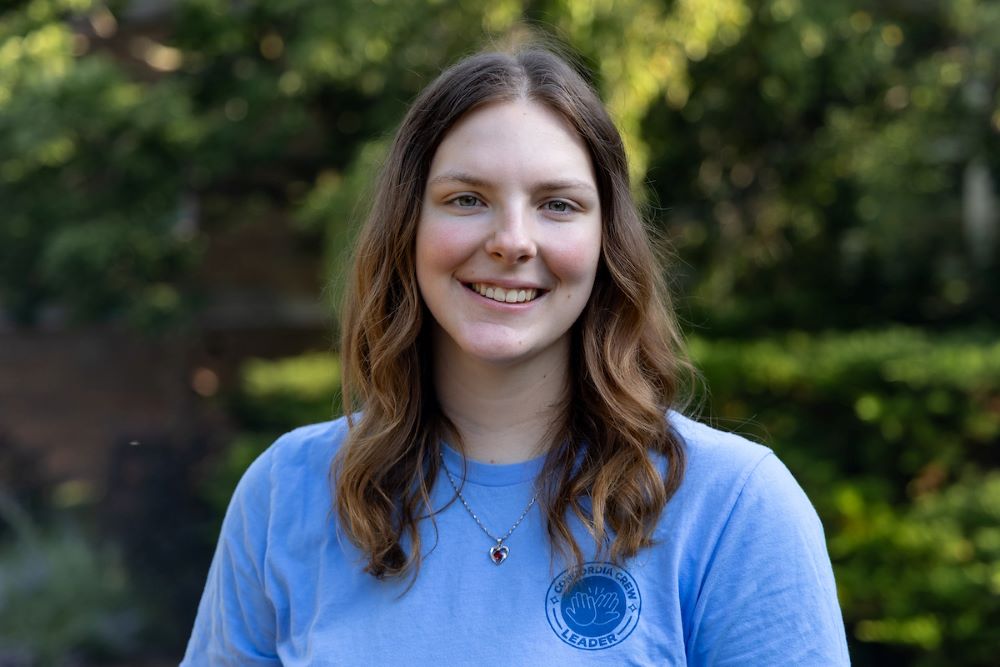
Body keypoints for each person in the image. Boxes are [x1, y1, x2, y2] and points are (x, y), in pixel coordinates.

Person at [182, 44, 850, 665]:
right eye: (467, 199)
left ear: (606, 244)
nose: (511, 240)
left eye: (558, 204)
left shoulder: (735, 507)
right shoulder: (286, 494)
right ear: (408, 229)